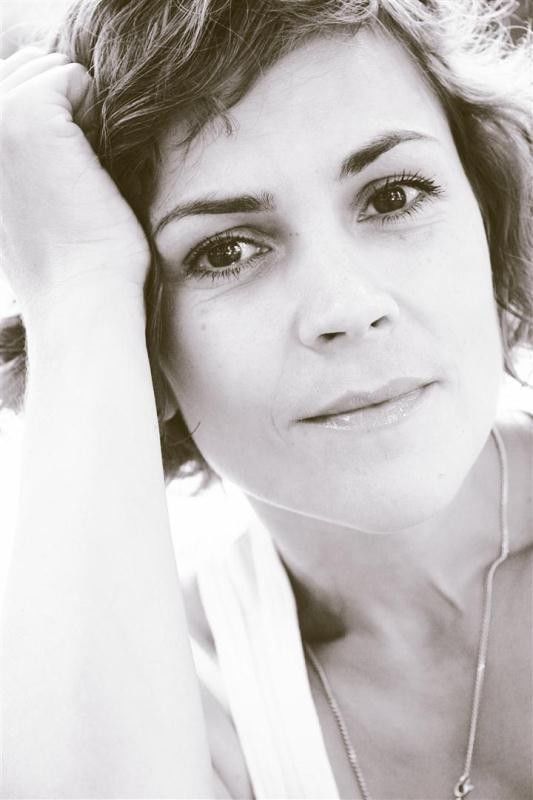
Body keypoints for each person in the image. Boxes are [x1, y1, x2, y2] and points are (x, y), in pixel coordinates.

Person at [0, 1, 531, 798]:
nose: (346, 306)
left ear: (488, 218)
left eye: (393, 196)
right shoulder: (169, 696)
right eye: (225, 251)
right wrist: (76, 286)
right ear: (139, 343)